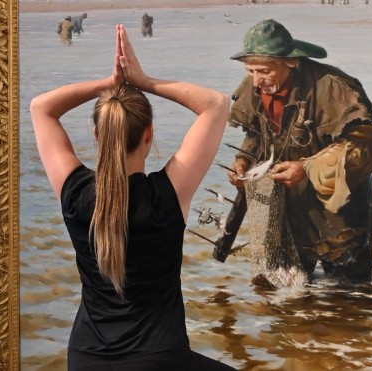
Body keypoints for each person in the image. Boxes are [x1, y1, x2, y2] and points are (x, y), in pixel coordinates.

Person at [31, 24, 234, 370]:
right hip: (159, 359)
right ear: (149, 134)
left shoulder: (76, 194)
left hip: (87, 359)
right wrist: (142, 80)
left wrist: (108, 86)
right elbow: (215, 104)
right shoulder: (166, 195)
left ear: (96, 135)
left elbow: (41, 108)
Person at [226, 19, 372, 283]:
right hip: (287, 213)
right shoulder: (253, 87)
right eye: (250, 71)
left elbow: (364, 150)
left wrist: (306, 168)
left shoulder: (334, 86)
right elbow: (255, 135)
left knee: (350, 299)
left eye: (264, 71)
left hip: (339, 213)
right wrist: (242, 161)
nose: (257, 81)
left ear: (290, 62)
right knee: (282, 295)